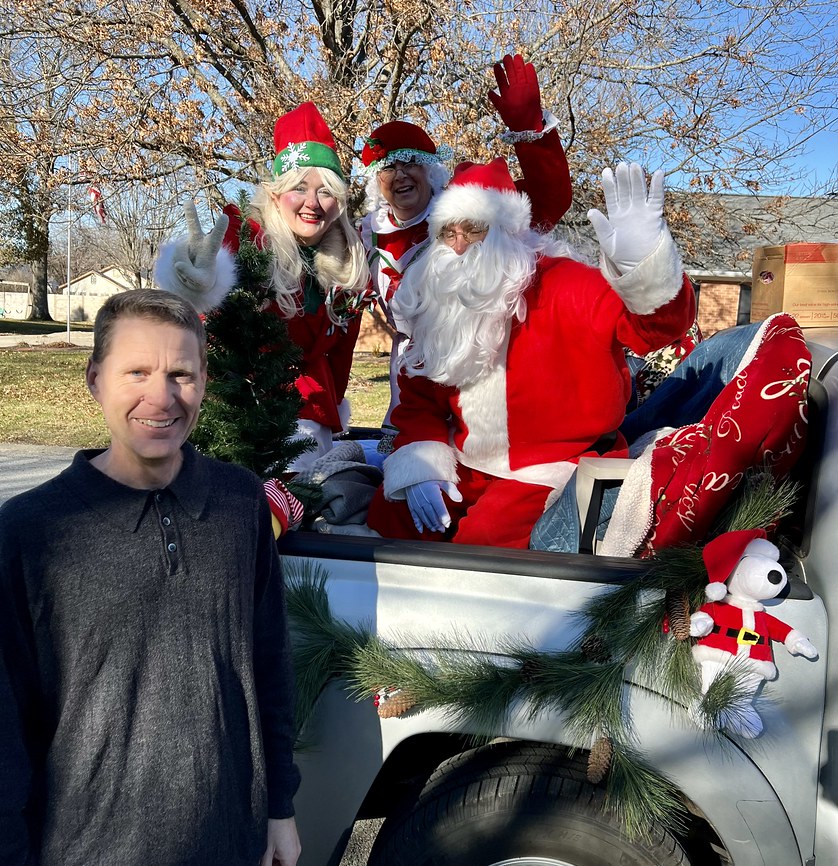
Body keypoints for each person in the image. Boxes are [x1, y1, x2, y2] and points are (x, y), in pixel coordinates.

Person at [0, 289, 301, 866]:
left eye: (182, 374)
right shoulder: (31, 535)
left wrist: (280, 809)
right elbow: (1, 737)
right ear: (95, 381)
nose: (161, 397)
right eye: (136, 373)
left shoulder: (236, 504)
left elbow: (267, 664)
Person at [366, 159, 697, 549]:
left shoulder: (568, 283)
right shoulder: (441, 297)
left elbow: (654, 330)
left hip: (554, 465)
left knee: (484, 546)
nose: (457, 246)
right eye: (446, 232)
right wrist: (420, 465)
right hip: (468, 460)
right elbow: (420, 399)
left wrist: (643, 267)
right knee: (390, 517)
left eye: (473, 229)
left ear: (508, 231)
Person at [359, 54, 574, 433]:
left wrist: (531, 132)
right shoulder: (364, 234)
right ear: (375, 182)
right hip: (411, 383)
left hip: (479, 366)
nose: (401, 174)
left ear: (431, 169)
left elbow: (547, 202)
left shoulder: (464, 211)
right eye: (388, 167)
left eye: (411, 162)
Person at [156, 102, 371, 469]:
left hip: (310, 419)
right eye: (299, 187)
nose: (313, 204)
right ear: (275, 193)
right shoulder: (246, 236)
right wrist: (197, 286)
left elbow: (341, 355)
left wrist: (333, 413)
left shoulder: (348, 262)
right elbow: (200, 313)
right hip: (238, 422)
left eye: (326, 191)